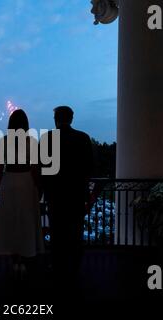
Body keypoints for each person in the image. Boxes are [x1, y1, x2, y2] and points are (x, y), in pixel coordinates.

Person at [40, 106, 94, 290]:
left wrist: (43, 192)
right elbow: (88, 168)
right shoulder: (83, 138)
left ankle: (57, 267)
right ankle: (74, 268)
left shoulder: (48, 138)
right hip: (76, 194)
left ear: (56, 119)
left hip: (55, 194)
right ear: (71, 119)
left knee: (57, 233)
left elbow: (43, 169)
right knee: (75, 232)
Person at [0, 109, 44, 279]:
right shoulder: (32, 142)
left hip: (9, 182)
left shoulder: (3, 141)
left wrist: (1, 187)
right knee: (25, 221)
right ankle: (24, 257)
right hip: (26, 182)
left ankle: (14, 259)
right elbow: (36, 167)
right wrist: (37, 187)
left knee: (11, 221)